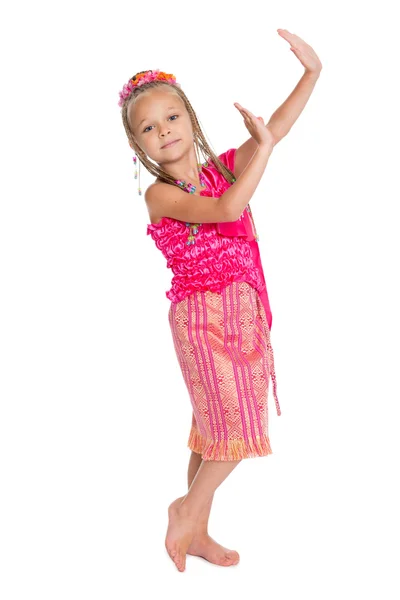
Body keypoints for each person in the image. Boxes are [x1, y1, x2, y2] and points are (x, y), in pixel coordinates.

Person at [118, 38, 322, 573]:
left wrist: (311, 73)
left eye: (171, 116)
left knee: (213, 431)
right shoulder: (161, 196)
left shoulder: (225, 168)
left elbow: (272, 129)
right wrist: (265, 153)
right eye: (148, 126)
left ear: (190, 118)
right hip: (201, 319)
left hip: (244, 314)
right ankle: (184, 510)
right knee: (232, 433)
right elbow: (231, 206)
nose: (163, 129)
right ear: (138, 145)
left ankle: (198, 530)